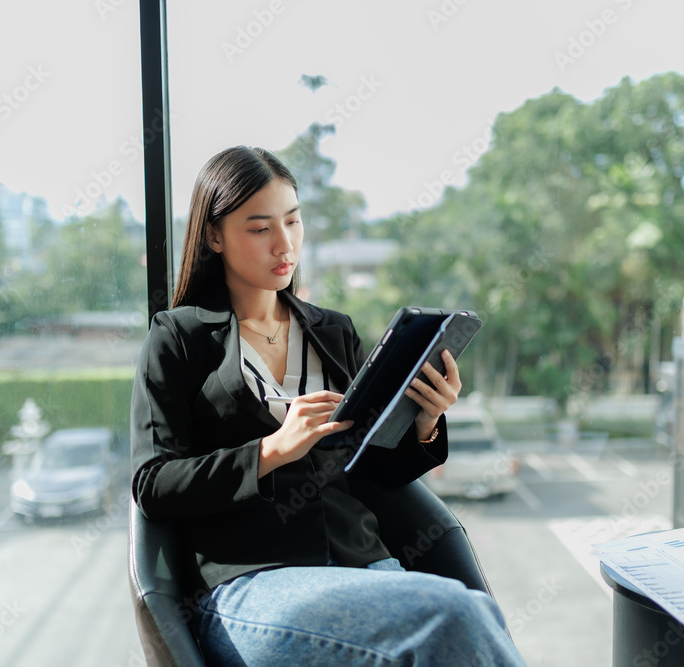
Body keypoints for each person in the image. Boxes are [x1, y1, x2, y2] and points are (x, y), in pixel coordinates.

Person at [130, 145, 525, 666]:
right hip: (253, 584)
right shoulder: (178, 339)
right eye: (259, 227)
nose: (284, 244)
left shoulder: (332, 332)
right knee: (454, 613)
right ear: (213, 235)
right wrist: (271, 451)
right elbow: (154, 484)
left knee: (470, 614)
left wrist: (426, 421)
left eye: (293, 222)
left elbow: (376, 470)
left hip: (363, 566)